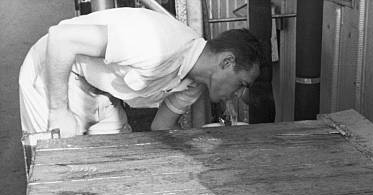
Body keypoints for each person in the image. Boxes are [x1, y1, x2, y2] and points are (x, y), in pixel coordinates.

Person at [19, 7, 264, 137]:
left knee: (113, 167)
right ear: (226, 62)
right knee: (60, 171)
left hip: (102, 91)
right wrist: (59, 111)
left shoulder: (194, 84)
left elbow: (161, 127)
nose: (238, 93)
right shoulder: (157, 45)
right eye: (241, 83)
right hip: (57, 72)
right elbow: (62, 39)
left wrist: (201, 150)